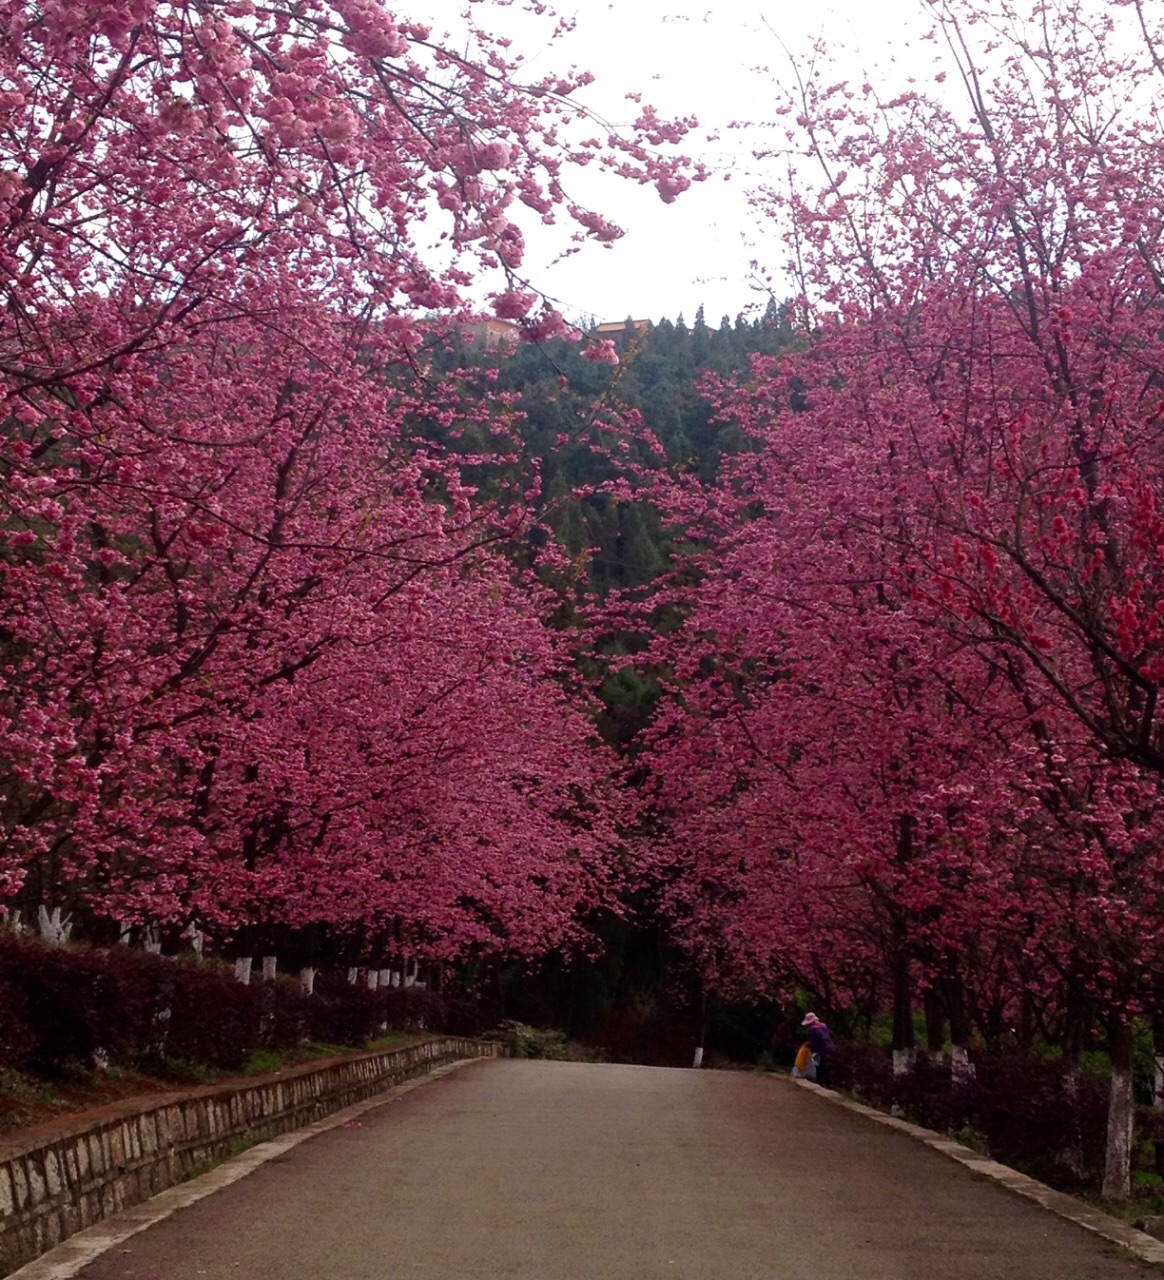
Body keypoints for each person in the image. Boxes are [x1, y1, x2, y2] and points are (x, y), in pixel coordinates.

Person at [801, 1012, 834, 1088]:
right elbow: (830, 1035)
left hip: (821, 1051)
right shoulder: (823, 1026)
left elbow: (813, 1043)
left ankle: (820, 1085)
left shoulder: (813, 1030)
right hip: (830, 1049)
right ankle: (829, 1085)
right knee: (827, 1069)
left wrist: (807, 1045)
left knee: (820, 1068)